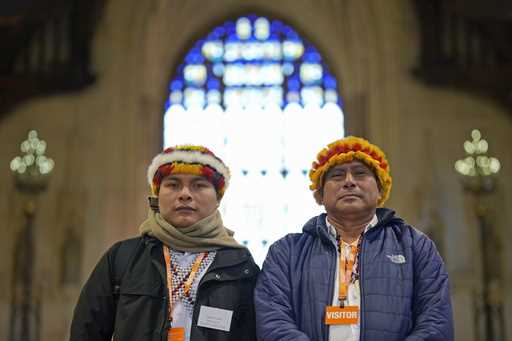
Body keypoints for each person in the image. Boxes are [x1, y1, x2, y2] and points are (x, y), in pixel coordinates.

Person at [254, 136, 453, 341]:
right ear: (320, 194)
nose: (349, 181)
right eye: (337, 176)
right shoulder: (286, 252)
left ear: (380, 189)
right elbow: (273, 322)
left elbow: (435, 322)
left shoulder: (415, 246)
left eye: (360, 173)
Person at [70, 145, 259, 341]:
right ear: (157, 195)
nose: (185, 194)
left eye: (198, 185)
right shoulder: (122, 258)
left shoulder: (240, 266)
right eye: (173, 184)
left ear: (218, 197)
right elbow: (86, 332)